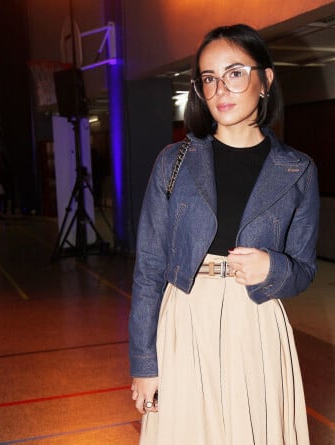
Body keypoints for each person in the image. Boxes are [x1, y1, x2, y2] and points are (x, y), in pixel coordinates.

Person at [129, 24, 319, 445]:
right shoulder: (174, 160)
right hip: (185, 319)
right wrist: (144, 363)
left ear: (265, 80)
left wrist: (275, 267)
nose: (219, 90)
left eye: (234, 73)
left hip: (254, 322)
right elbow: (149, 269)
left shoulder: (298, 168)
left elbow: (304, 268)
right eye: (209, 79)